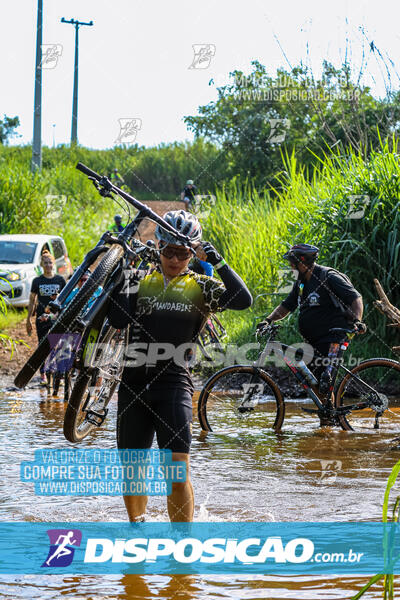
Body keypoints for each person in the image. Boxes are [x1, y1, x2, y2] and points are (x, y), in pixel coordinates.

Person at [107, 210, 252, 522]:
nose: (175, 260)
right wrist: (121, 273)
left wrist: (220, 261)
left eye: (183, 253)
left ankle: (181, 547)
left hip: (173, 386)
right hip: (133, 384)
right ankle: (137, 534)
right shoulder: (139, 280)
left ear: (192, 252)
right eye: (169, 252)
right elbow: (117, 319)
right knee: (132, 471)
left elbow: (243, 300)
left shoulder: (202, 286)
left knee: (175, 471)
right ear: (158, 246)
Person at [257, 243, 366, 425]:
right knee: (317, 384)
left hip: (334, 337)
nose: (291, 267)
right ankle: (328, 420)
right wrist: (268, 320)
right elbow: (288, 305)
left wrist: (357, 321)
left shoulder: (328, 276)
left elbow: (355, 298)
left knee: (326, 380)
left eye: (293, 263)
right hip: (314, 341)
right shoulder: (301, 282)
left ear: (304, 262)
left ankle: (334, 417)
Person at [26, 251, 66, 384]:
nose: (48, 265)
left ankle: (57, 373)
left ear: (53, 264)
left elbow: (65, 299)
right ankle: (43, 373)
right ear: (41, 264)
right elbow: (32, 301)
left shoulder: (60, 280)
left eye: (50, 263)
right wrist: (28, 320)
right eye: (45, 263)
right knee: (43, 344)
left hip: (55, 317)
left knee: (57, 344)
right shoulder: (37, 281)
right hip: (41, 317)